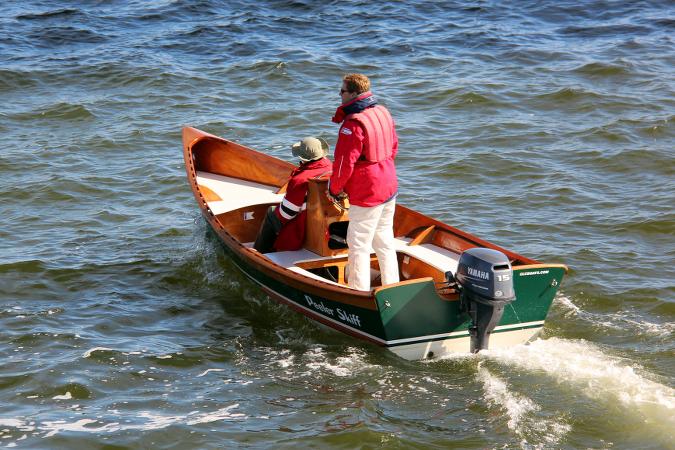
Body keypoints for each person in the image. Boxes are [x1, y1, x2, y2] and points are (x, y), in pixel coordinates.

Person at [327, 73, 400, 291]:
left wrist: (334, 189)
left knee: (358, 243)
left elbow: (343, 164)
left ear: (353, 94)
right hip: (389, 183)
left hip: (367, 191)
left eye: (342, 91)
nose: (339, 95)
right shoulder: (383, 112)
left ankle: (358, 292)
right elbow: (394, 146)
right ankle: (392, 286)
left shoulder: (353, 124)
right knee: (384, 239)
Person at [253, 137, 332, 253]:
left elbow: (286, 214)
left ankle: (260, 251)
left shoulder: (301, 179)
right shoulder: (332, 168)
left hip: (305, 223)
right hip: (326, 218)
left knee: (271, 213)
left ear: (303, 158)